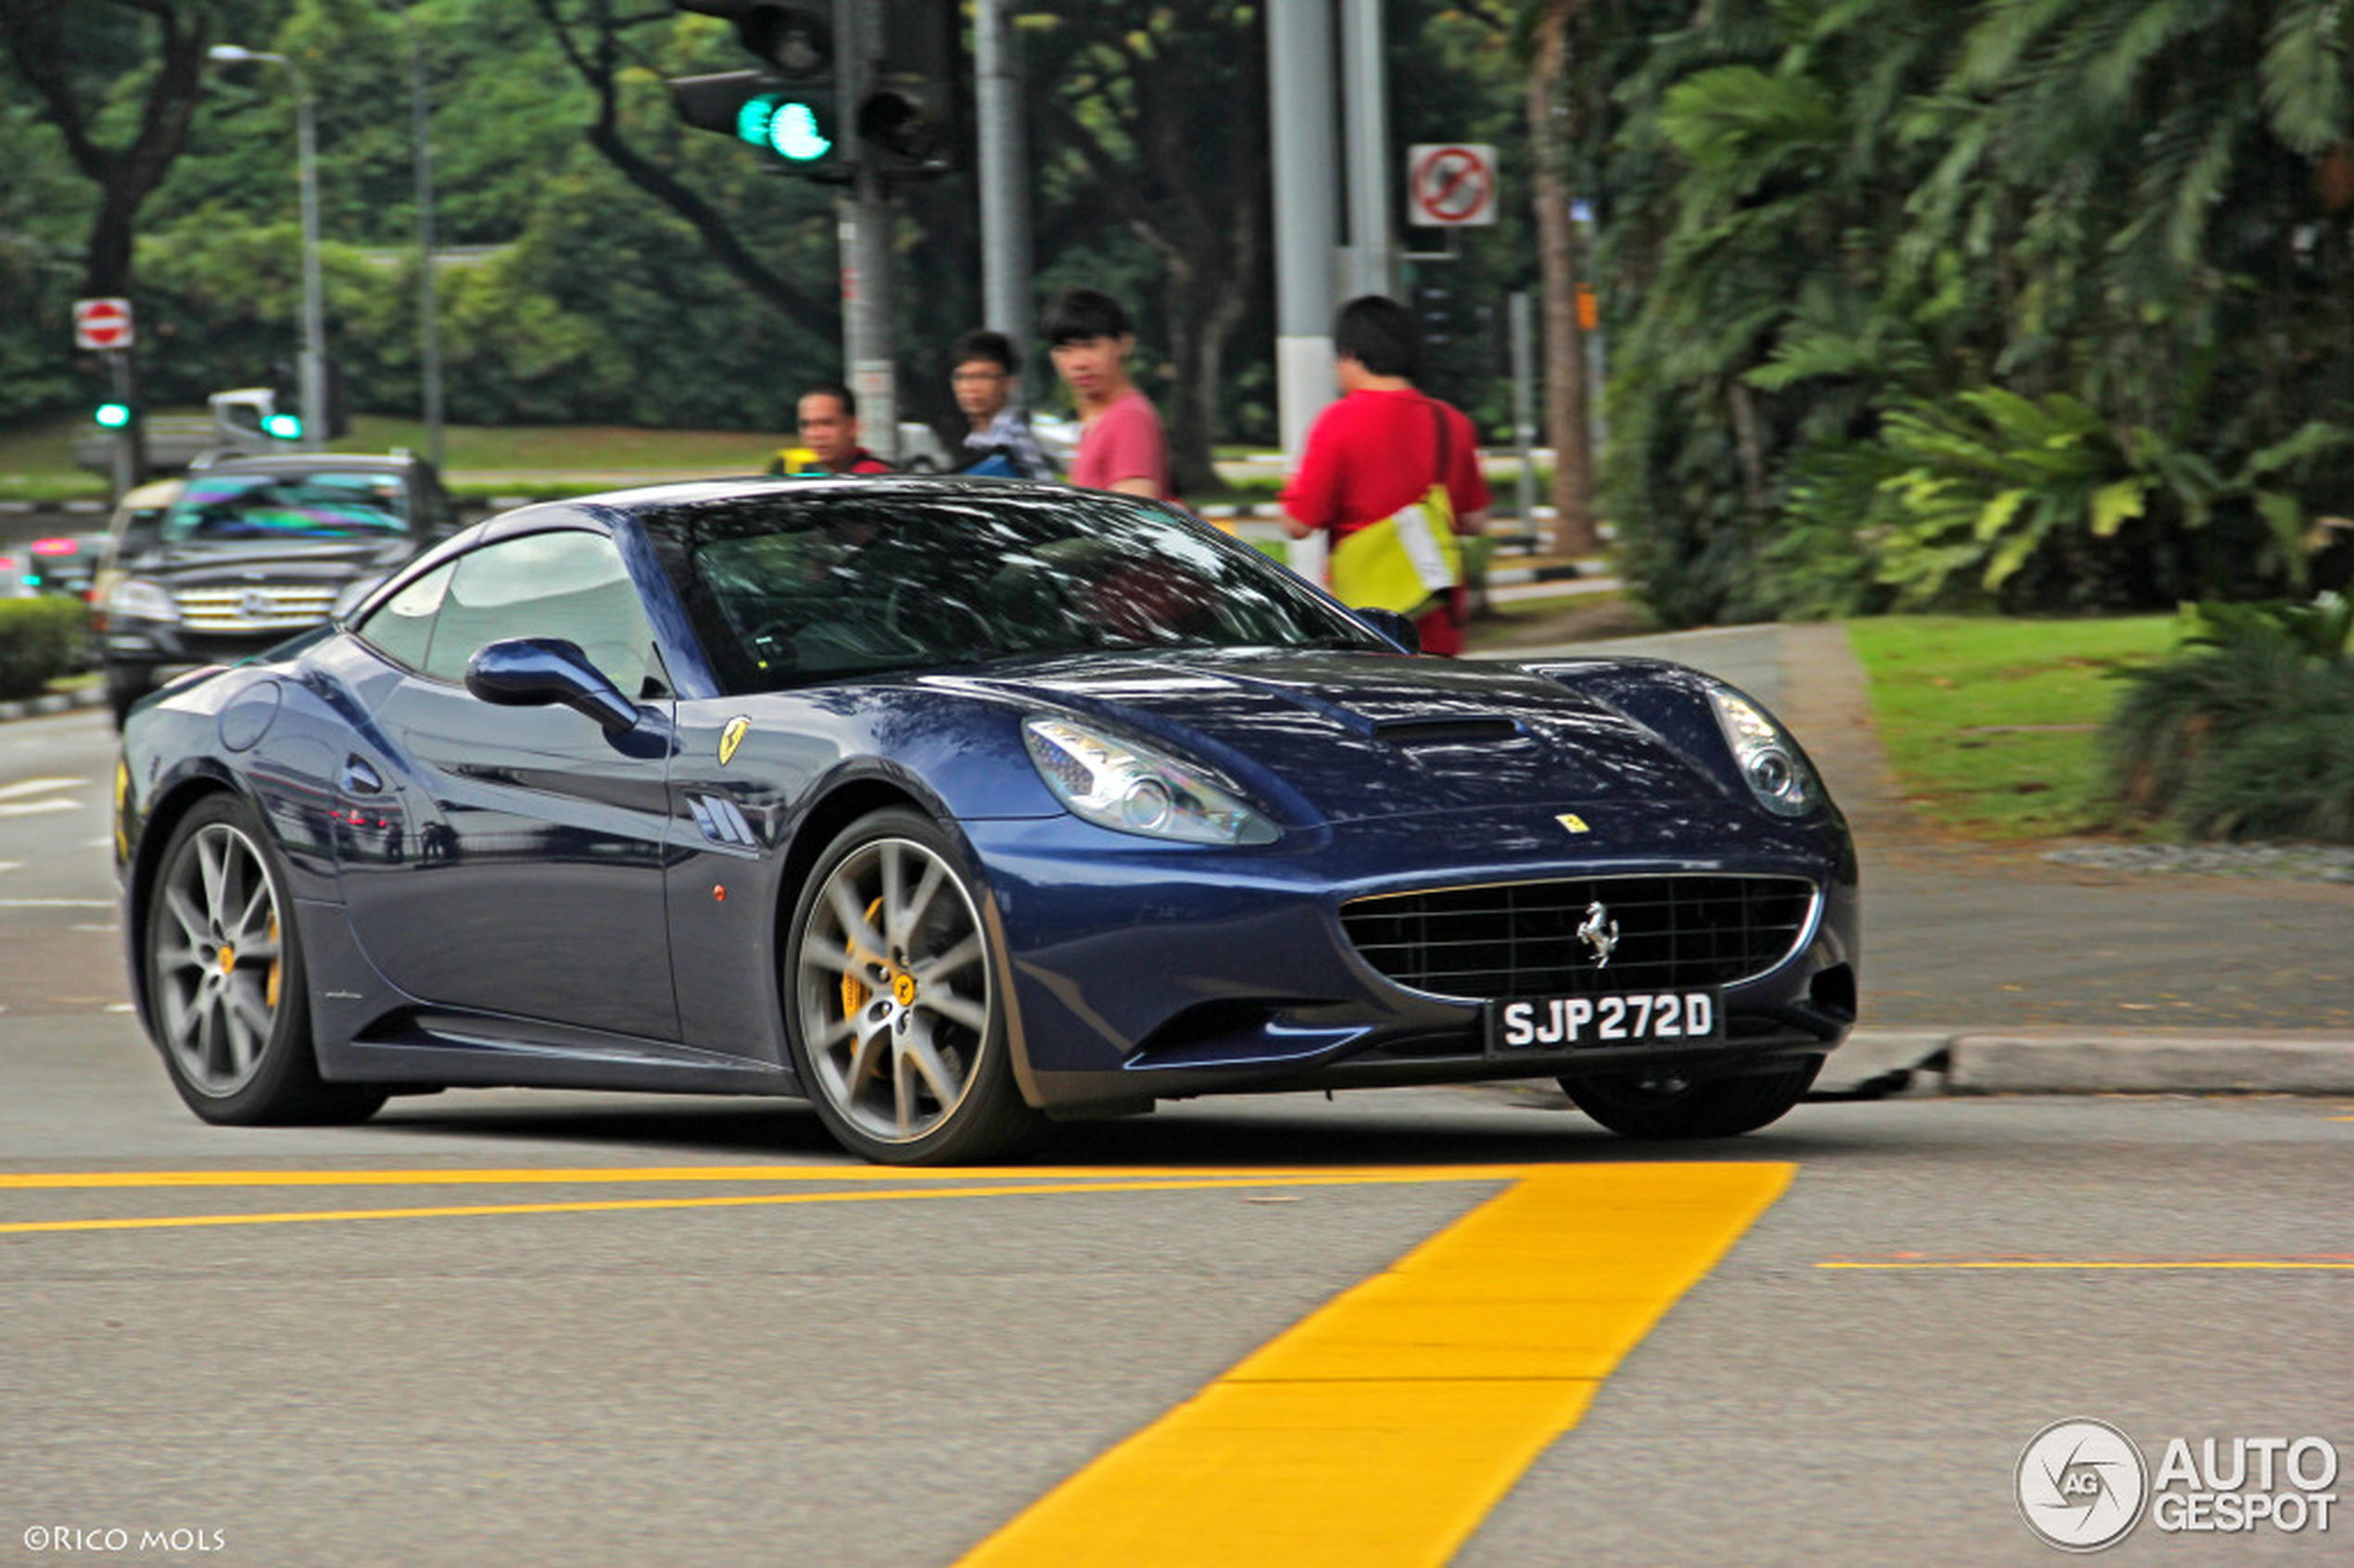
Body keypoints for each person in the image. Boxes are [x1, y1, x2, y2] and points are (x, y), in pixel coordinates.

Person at [1280, 295, 1492, 656]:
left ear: (1349, 356)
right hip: (1438, 622)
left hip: (1366, 628)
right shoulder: (1452, 422)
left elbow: (1298, 524)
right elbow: (1475, 519)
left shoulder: (1337, 422)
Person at [1042, 288, 1171, 500]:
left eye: (1090, 346)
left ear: (1123, 344)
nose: (1079, 363)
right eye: (1065, 350)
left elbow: (1133, 516)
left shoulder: (1129, 418)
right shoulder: (1096, 420)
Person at [950, 328, 1059, 480]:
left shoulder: (1012, 440)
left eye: (983, 376)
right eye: (961, 377)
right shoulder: (977, 439)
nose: (970, 387)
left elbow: (1045, 492)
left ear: (1008, 382)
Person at [778, 383, 893, 476]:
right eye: (806, 425)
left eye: (827, 423)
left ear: (853, 427)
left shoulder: (870, 477)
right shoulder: (814, 474)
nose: (815, 434)